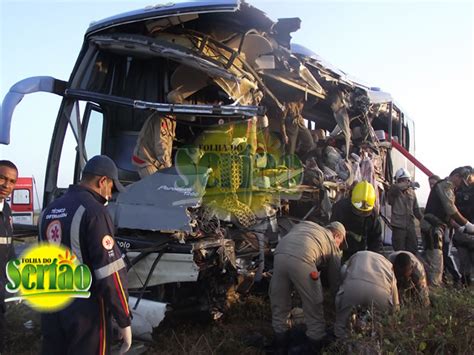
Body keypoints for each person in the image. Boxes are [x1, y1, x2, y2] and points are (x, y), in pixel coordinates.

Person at [39, 155, 132, 355]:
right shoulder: (94, 211)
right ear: (102, 182)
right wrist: (124, 319)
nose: (111, 194)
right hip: (84, 313)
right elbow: (110, 272)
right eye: (111, 188)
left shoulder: (48, 211)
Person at [269, 221, 346, 353]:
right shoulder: (332, 244)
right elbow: (335, 279)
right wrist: (337, 303)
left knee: (279, 303)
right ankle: (315, 344)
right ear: (337, 236)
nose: (340, 246)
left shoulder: (306, 225)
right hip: (303, 258)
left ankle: (280, 344)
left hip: (280, 253)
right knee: (314, 305)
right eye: (341, 242)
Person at [421, 166, 473, 286]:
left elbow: (445, 215)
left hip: (435, 227)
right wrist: (468, 225)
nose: (461, 186)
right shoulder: (445, 186)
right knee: (435, 262)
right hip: (432, 228)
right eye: (461, 181)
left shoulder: (447, 188)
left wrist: (459, 228)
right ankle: (434, 291)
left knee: (436, 260)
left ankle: (433, 287)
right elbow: (451, 210)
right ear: (456, 176)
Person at [334, 251, 399, 339]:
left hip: (353, 287)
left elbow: (343, 271)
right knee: (381, 325)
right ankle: (378, 343)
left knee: (341, 324)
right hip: (379, 293)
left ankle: (339, 346)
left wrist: (342, 289)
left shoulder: (357, 254)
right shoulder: (388, 264)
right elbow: (394, 296)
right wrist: (396, 314)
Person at [331, 180, 383, 262]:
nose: (361, 214)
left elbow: (376, 241)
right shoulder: (340, 208)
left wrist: (372, 260)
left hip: (361, 253)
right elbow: (332, 235)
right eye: (358, 210)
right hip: (340, 251)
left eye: (365, 211)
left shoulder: (373, 215)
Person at [0, 160, 18, 353]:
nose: (6, 185)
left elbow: (9, 246)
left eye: (12, 181)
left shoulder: (6, 211)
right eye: (2, 178)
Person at [387, 168, 423, 254]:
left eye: (406, 180)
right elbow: (396, 188)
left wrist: (422, 220)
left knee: (413, 251)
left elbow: (416, 209)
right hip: (398, 227)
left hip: (410, 226)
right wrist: (409, 184)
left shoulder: (411, 192)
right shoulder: (393, 189)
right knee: (399, 253)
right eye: (402, 180)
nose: (405, 182)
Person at [132, 111, 177, 178]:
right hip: (146, 161)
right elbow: (161, 146)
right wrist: (169, 168)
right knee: (158, 186)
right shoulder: (161, 120)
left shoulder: (171, 119)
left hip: (157, 162)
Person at [454, 182, 474, 286]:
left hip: (462, 230)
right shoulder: (458, 192)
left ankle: (466, 285)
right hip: (463, 231)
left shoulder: (458, 192)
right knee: (464, 262)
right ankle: (466, 285)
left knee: (464, 263)